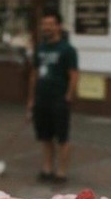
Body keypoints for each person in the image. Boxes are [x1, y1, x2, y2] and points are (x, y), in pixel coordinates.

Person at [26, 11, 78, 184]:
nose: (46, 27)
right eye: (44, 24)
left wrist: (68, 96)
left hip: (59, 99)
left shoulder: (67, 49)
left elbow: (74, 75)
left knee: (62, 137)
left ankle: (61, 172)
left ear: (58, 26)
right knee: (45, 137)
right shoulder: (40, 49)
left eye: (50, 24)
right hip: (42, 99)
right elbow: (34, 74)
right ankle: (47, 168)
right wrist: (31, 99)